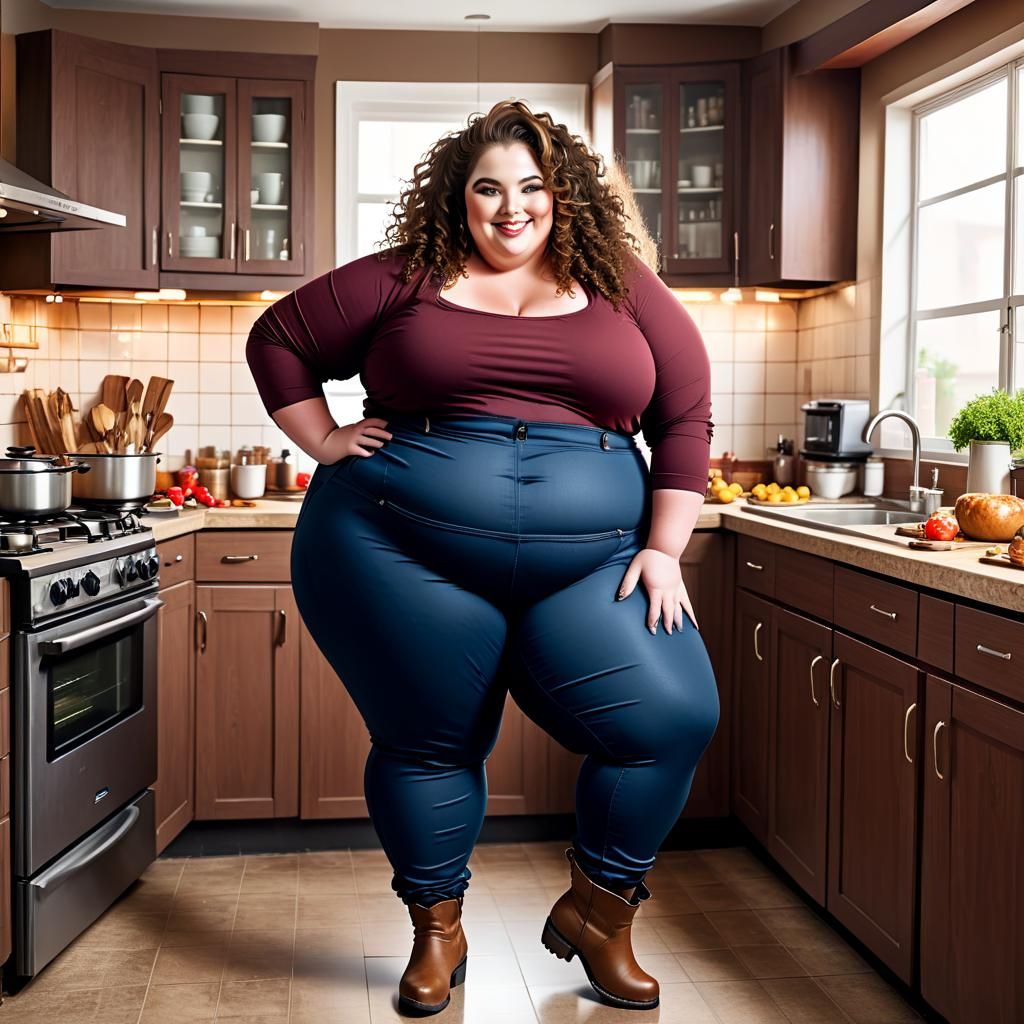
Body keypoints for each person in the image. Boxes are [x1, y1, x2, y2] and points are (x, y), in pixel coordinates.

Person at [246, 99, 720, 1016]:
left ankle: (602, 912)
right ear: (456, 198)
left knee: (672, 717)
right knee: (429, 742)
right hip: (394, 549)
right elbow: (280, 339)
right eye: (489, 189)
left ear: (564, 195)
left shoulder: (621, 286)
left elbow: (685, 415)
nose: (512, 209)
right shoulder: (404, 277)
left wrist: (665, 549)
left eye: (532, 188)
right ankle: (437, 933)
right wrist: (324, 439)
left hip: (593, 563)